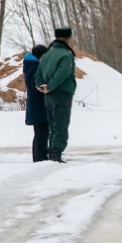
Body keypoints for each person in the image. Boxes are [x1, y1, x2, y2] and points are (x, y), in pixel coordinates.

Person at [35, 26, 78, 163]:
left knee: (52, 124)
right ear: (68, 38)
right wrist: (51, 86)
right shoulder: (66, 55)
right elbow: (62, 74)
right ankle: (56, 153)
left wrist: (43, 86)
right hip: (62, 93)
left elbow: (38, 73)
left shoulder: (47, 54)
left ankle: (52, 151)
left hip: (48, 96)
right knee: (61, 124)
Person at [23, 43, 49, 162]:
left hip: (36, 105)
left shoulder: (31, 67)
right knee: (41, 133)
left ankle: (40, 157)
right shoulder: (34, 69)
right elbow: (37, 88)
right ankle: (39, 158)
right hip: (38, 106)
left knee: (41, 132)